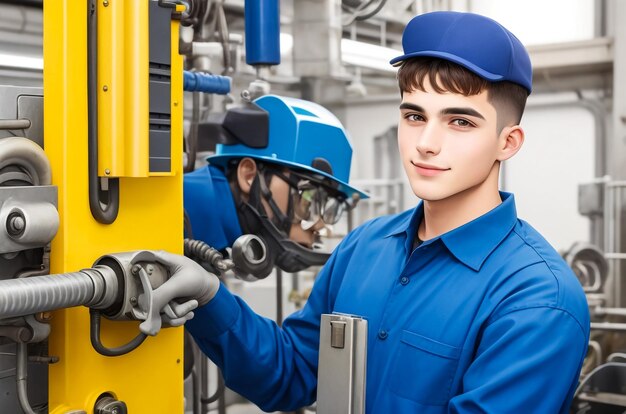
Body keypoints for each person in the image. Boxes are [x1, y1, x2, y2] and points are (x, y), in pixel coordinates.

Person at [152, 11, 590, 413]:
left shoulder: (538, 299)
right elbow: (290, 374)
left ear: (507, 142)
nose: (427, 143)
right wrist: (210, 297)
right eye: (415, 116)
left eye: (460, 122)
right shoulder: (365, 247)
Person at [183, 94, 367, 279]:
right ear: (248, 175)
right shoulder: (179, 212)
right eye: (308, 199)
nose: (320, 226)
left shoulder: (213, 240)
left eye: (328, 207)